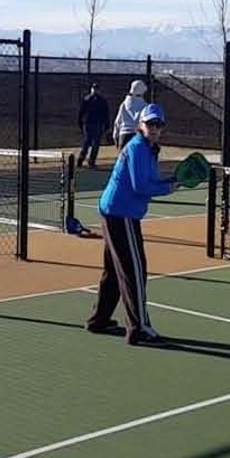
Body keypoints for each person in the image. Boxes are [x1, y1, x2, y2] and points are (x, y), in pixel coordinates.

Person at [86, 103, 178, 345]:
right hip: (121, 214)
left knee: (115, 271)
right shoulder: (137, 147)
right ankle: (139, 329)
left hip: (116, 212)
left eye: (159, 124)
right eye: (150, 124)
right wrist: (169, 187)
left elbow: (152, 180)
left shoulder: (148, 150)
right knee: (134, 271)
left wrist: (173, 180)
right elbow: (141, 186)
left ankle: (99, 320)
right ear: (140, 125)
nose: (155, 129)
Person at [77, 83, 110, 169]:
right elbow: (81, 112)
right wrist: (80, 122)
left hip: (98, 124)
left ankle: (91, 161)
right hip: (88, 124)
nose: (95, 90)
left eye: (96, 89)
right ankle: (80, 159)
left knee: (96, 144)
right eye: (94, 88)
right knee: (87, 142)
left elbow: (106, 113)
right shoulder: (87, 100)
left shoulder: (102, 101)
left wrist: (106, 124)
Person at [112, 79, 149, 150]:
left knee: (123, 160)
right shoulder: (145, 106)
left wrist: (115, 135)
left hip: (123, 136)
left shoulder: (124, 104)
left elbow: (117, 122)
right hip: (138, 136)